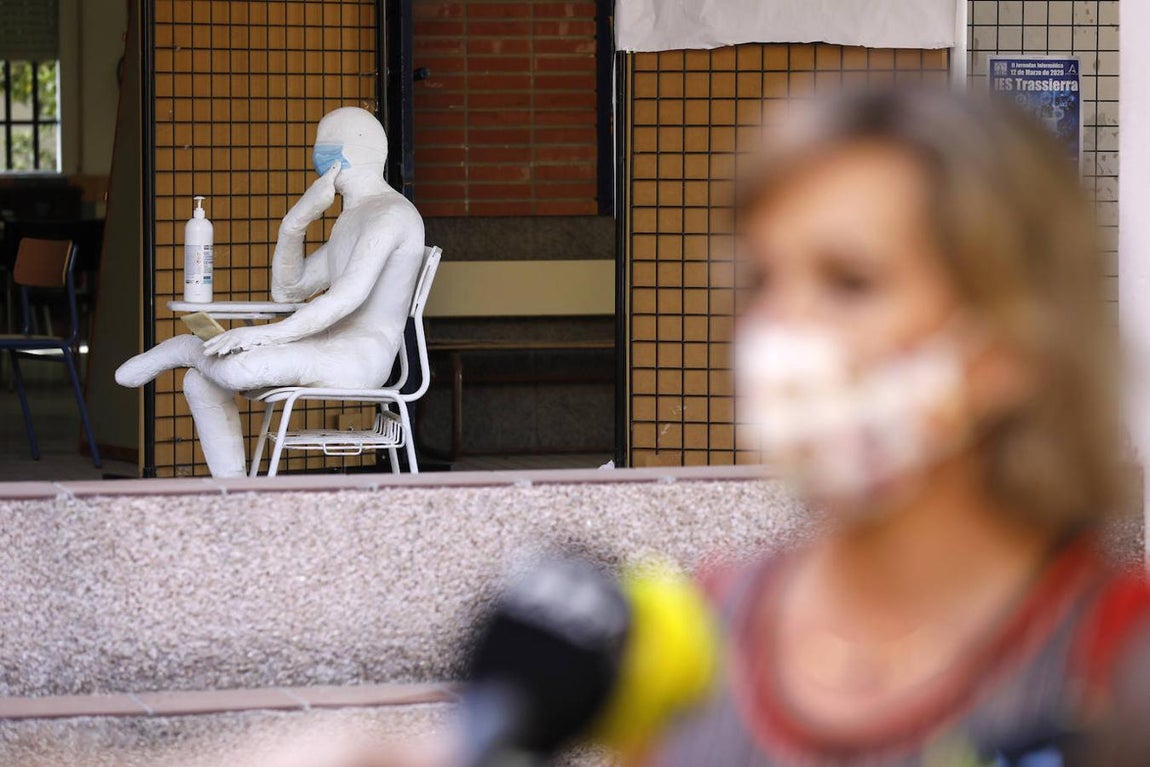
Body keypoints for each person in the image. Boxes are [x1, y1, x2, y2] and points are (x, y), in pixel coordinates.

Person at [348, 88, 1150, 766]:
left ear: (1005, 343)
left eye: (849, 280)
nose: (778, 326)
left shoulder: (1119, 670)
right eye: (763, 279)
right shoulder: (693, 638)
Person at [115, 107, 426, 477]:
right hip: (325, 343)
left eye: (326, 145)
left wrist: (258, 336)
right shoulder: (352, 220)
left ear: (355, 150)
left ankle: (183, 348)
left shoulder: (390, 215)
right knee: (199, 380)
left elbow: (345, 300)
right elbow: (288, 290)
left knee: (237, 368)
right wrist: (295, 222)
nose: (318, 155)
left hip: (358, 359)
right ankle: (236, 495)